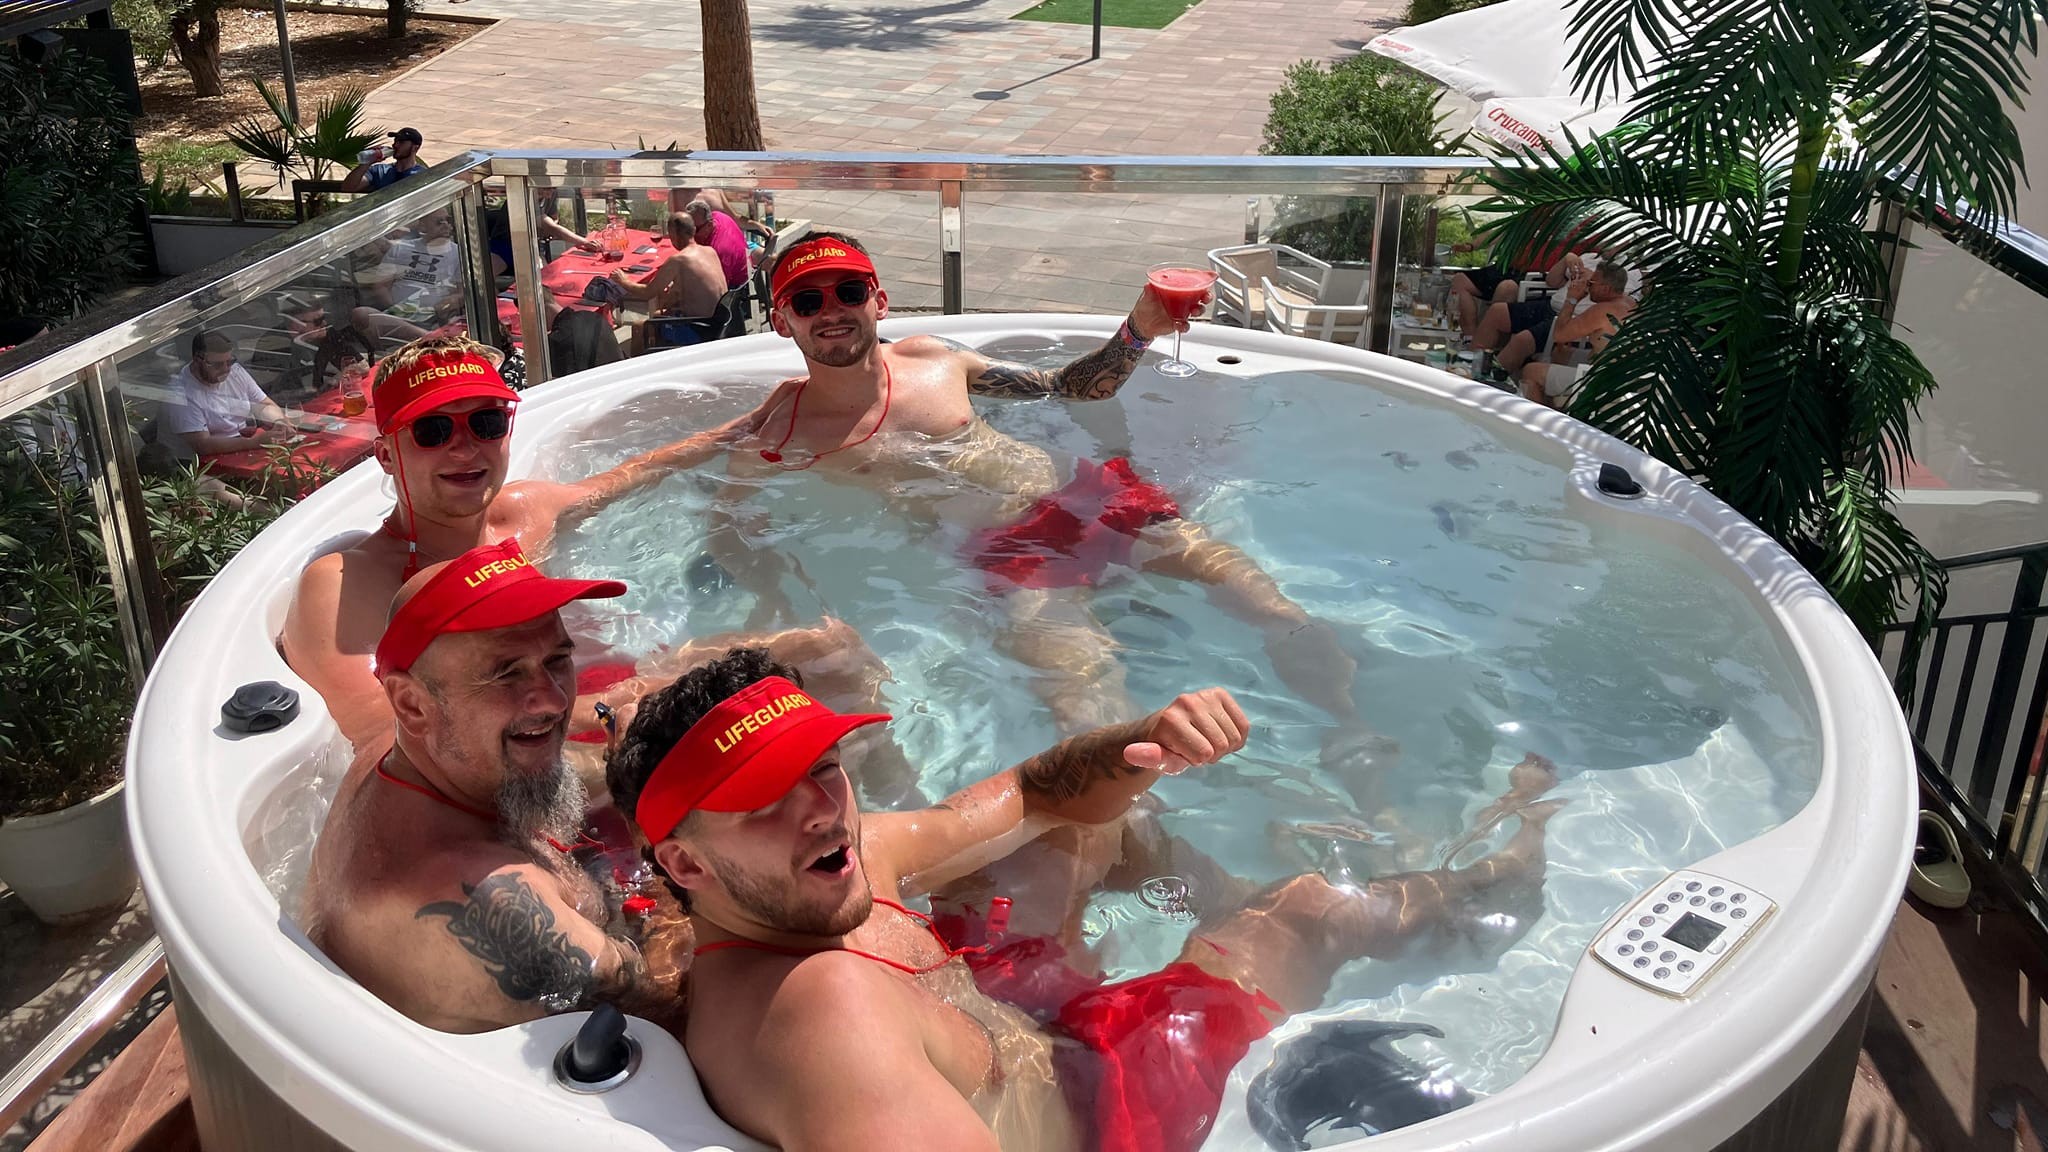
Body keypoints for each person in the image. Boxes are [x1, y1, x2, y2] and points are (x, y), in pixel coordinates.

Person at [606, 648, 1562, 1152]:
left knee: (1079, 834)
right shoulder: (822, 1014)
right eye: (764, 803)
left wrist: (1143, 740)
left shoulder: (840, 866)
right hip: (1107, 1115)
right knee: (1312, 905)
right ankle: (1509, 881)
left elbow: (1030, 794)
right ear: (683, 865)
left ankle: (1186, 883)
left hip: (1023, 1047)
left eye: (824, 769)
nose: (823, 813)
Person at [674, 232, 1364, 748]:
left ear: (879, 301)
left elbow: (1066, 387)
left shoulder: (936, 360)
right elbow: (715, 504)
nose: (831, 309)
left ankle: (1357, 742)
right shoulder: (781, 432)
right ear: (781, 320)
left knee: (1278, 611)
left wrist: (1139, 330)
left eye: (848, 292)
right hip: (1014, 559)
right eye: (807, 299)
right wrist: (770, 592)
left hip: (1096, 497)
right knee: (1091, 717)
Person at [278, 335, 910, 806]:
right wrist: (601, 723)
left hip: (613, 696)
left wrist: (757, 421)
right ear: (386, 452)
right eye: (433, 430)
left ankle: (892, 826)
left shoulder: (527, 511)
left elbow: (642, 470)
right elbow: (382, 740)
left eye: (486, 422)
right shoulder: (347, 582)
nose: (464, 447)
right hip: (516, 743)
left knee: (832, 651)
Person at [300, 541, 683, 1033]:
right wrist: (651, 802)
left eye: (557, 660)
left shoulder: (390, 752)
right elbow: (671, 1007)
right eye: (506, 674)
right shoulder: (482, 896)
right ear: (411, 702)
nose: (553, 700)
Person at [157, 330, 297, 460]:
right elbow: (203, 444)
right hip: (200, 465)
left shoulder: (235, 372)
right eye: (217, 365)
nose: (226, 369)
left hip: (241, 446)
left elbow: (263, 404)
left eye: (229, 362)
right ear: (197, 360)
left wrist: (279, 421)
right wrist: (255, 442)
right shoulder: (181, 393)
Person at [1518, 261, 1637, 410]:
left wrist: (1572, 298)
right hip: (1622, 372)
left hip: (1602, 379)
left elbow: (1559, 335)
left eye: (1591, 283)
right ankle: (1553, 408)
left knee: (1531, 371)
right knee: (1560, 352)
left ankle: (1539, 424)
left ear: (1606, 288)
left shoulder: (1602, 311)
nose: (1588, 286)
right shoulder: (1631, 302)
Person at [613, 211, 726, 321]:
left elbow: (647, 292)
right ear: (694, 230)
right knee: (661, 310)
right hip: (723, 319)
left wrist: (623, 281)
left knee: (642, 325)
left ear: (673, 235)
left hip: (701, 326)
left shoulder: (678, 260)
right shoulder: (710, 251)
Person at [685, 198, 751, 289]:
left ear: (709, 225)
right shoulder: (718, 215)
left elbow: (719, 288)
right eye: (687, 228)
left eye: (695, 230)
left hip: (737, 288)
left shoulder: (718, 251)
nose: (690, 234)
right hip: (744, 267)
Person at [341, 127, 428, 194]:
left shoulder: (422, 174)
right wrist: (367, 163)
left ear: (415, 147)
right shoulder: (379, 171)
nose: (395, 145)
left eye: (401, 142)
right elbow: (348, 188)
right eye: (395, 141)